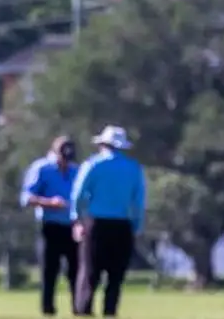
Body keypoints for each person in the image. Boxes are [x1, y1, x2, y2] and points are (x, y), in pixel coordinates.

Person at [70, 125, 146, 318]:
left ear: (102, 144)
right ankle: (110, 311)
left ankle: (84, 310)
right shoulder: (134, 168)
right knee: (115, 275)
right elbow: (138, 202)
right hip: (122, 225)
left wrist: (77, 219)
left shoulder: (93, 165)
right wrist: (136, 226)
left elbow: (78, 196)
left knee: (89, 272)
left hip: (96, 224)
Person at [20, 135, 81, 317]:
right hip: (50, 226)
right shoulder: (42, 169)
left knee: (76, 271)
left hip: (72, 227)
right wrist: (49, 202)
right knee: (49, 271)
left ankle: (78, 308)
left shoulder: (76, 171)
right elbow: (26, 198)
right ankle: (48, 310)